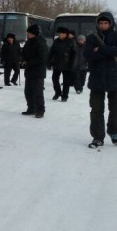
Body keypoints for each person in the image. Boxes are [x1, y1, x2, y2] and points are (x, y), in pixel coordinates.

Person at [84, 12, 117, 149]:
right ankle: (97, 137)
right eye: (101, 23)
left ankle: (114, 131)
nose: (103, 25)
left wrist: (101, 49)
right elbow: (88, 55)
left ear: (111, 23)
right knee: (96, 109)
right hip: (97, 78)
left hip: (114, 78)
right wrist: (110, 52)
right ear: (97, 24)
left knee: (115, 109)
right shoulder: (92, 38)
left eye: (106, 23)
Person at [21, 24, 48, 119]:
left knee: (38, 92)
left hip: (38, 72)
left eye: (29, 33)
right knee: (28, 92)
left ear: (34, 33)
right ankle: (31, 108)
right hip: (29, 71)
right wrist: (22, 59)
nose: (27, 34)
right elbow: (23, 52)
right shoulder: (28, 42)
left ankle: (40, 110)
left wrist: (28, 62)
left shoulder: (41, 43)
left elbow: (42, 58)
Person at [48, 27, 76, 102]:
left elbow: (74, 54)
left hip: (67, 64)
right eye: (58, 33)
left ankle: (65, 96)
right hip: (57, 63)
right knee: (54, 79)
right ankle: (58, 92)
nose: (59, 35)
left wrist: (71, 64)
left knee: (66, 81)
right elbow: (51, 52)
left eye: (60, 33)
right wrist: (49, 61)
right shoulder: (56, 41)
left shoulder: (71, 41)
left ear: (65, 34)